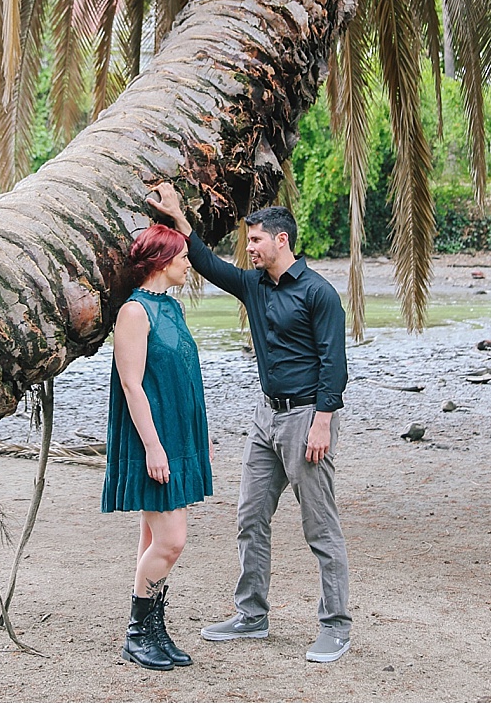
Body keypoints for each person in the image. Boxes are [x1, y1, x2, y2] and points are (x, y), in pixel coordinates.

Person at [147, 181, 351, 664]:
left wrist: (322, 422)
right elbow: (206, 262)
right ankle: (251, 615)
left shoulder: (319, 293)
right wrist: (178, 216)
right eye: (248, 240)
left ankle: (336, 626)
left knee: (320, 526)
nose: (250, 248)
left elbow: (334, 364)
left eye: (256, 240)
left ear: (282, 240)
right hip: (265, 418)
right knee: (250, 517)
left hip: (307, 419)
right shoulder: (253, 286)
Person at [101, 223, 213, 671]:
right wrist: (153, 446)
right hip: (154, 437)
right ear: (163, 262)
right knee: (171, 541)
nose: (189, 264)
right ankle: (136, 632)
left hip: (178, 435)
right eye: (183, 257)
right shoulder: (134, 312)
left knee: (152, 538)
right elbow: (131, 385)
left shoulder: (172, 307)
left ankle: (151, 631)